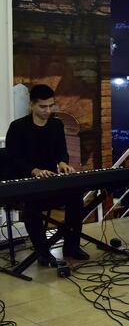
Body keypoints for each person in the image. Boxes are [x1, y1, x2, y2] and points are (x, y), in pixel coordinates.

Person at [5, 84, 88, 266]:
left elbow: (61, 152)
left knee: (75, 197)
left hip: (51, 182)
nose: (47, 110)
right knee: (31, 208)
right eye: (43, 107)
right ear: (32, 105)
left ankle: (71, 247)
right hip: (28, 184)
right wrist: (34, 171)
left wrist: (63, 163)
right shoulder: (18, 127)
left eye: (51, 106)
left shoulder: (56, 125)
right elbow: (13, 159)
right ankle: (42, 251)